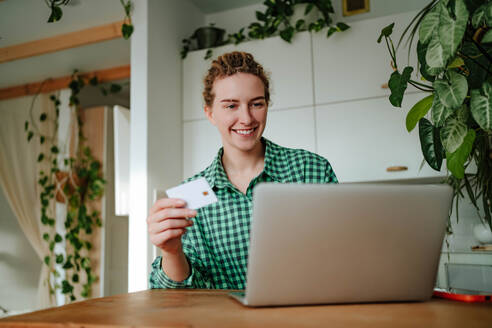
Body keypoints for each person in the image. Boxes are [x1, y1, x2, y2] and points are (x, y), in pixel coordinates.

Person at [147, 51, 338, 289]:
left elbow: (342, 256)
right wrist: (171, 251)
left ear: (267, 105)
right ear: (210, 113)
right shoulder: (190, 195)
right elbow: (176, 294)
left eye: (256, 104)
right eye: (231, 106)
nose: (246, 118)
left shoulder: (311, 170)